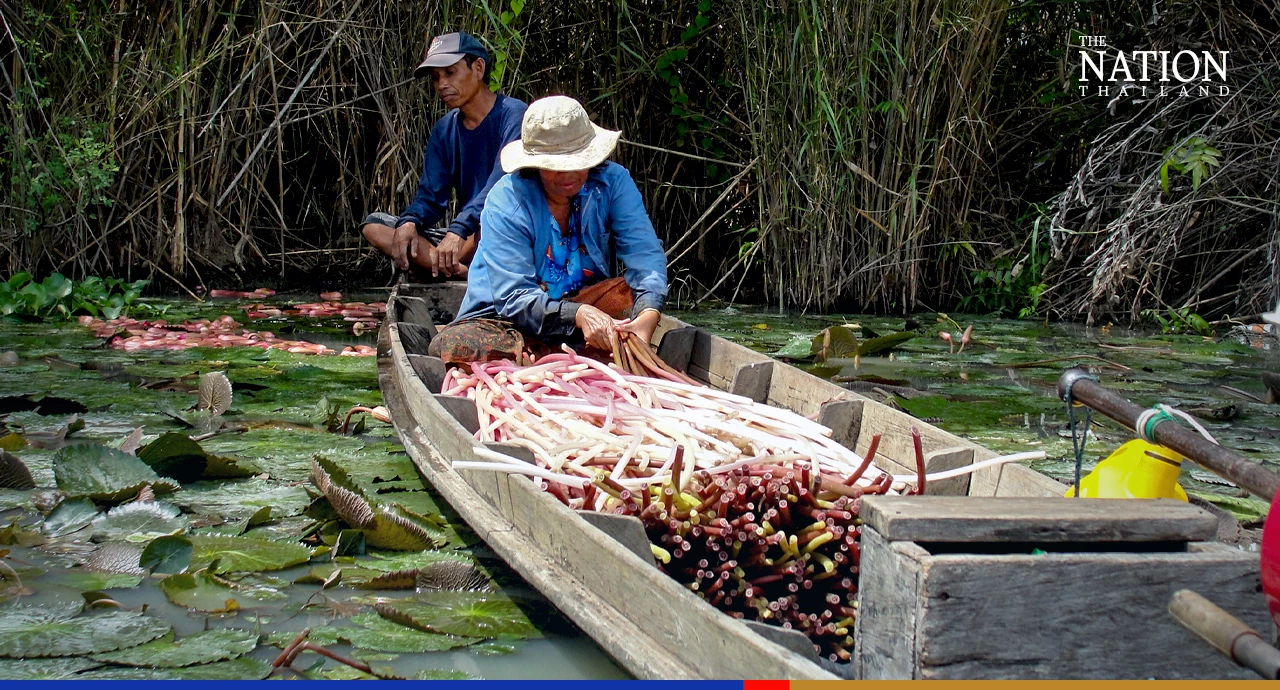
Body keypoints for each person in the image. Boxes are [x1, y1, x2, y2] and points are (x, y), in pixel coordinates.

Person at [427, 95, 668, 364]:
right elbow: (514, 298)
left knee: (628, 296)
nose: (568, 175)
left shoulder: (613, 183)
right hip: (504, 320)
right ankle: (554, 355)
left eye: (577, 162)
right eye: (555, 166)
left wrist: (647, 317)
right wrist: (578, 315)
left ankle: (552, 354)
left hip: (580, 306)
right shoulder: (506, 200)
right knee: (454, 346)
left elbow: (645, 256)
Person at [361, 31, 526, 278]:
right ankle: (459, 270)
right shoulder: (444, 129)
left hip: (494, 227)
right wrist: (410, 221)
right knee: (374, 226)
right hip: (461, 236)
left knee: (488, 228)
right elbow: (431, 197)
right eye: (436, 77)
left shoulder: (513, 115)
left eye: (450, 73)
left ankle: (447, 266)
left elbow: (501, 185)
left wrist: (459, 229)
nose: (442, 85)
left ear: (478, 68)